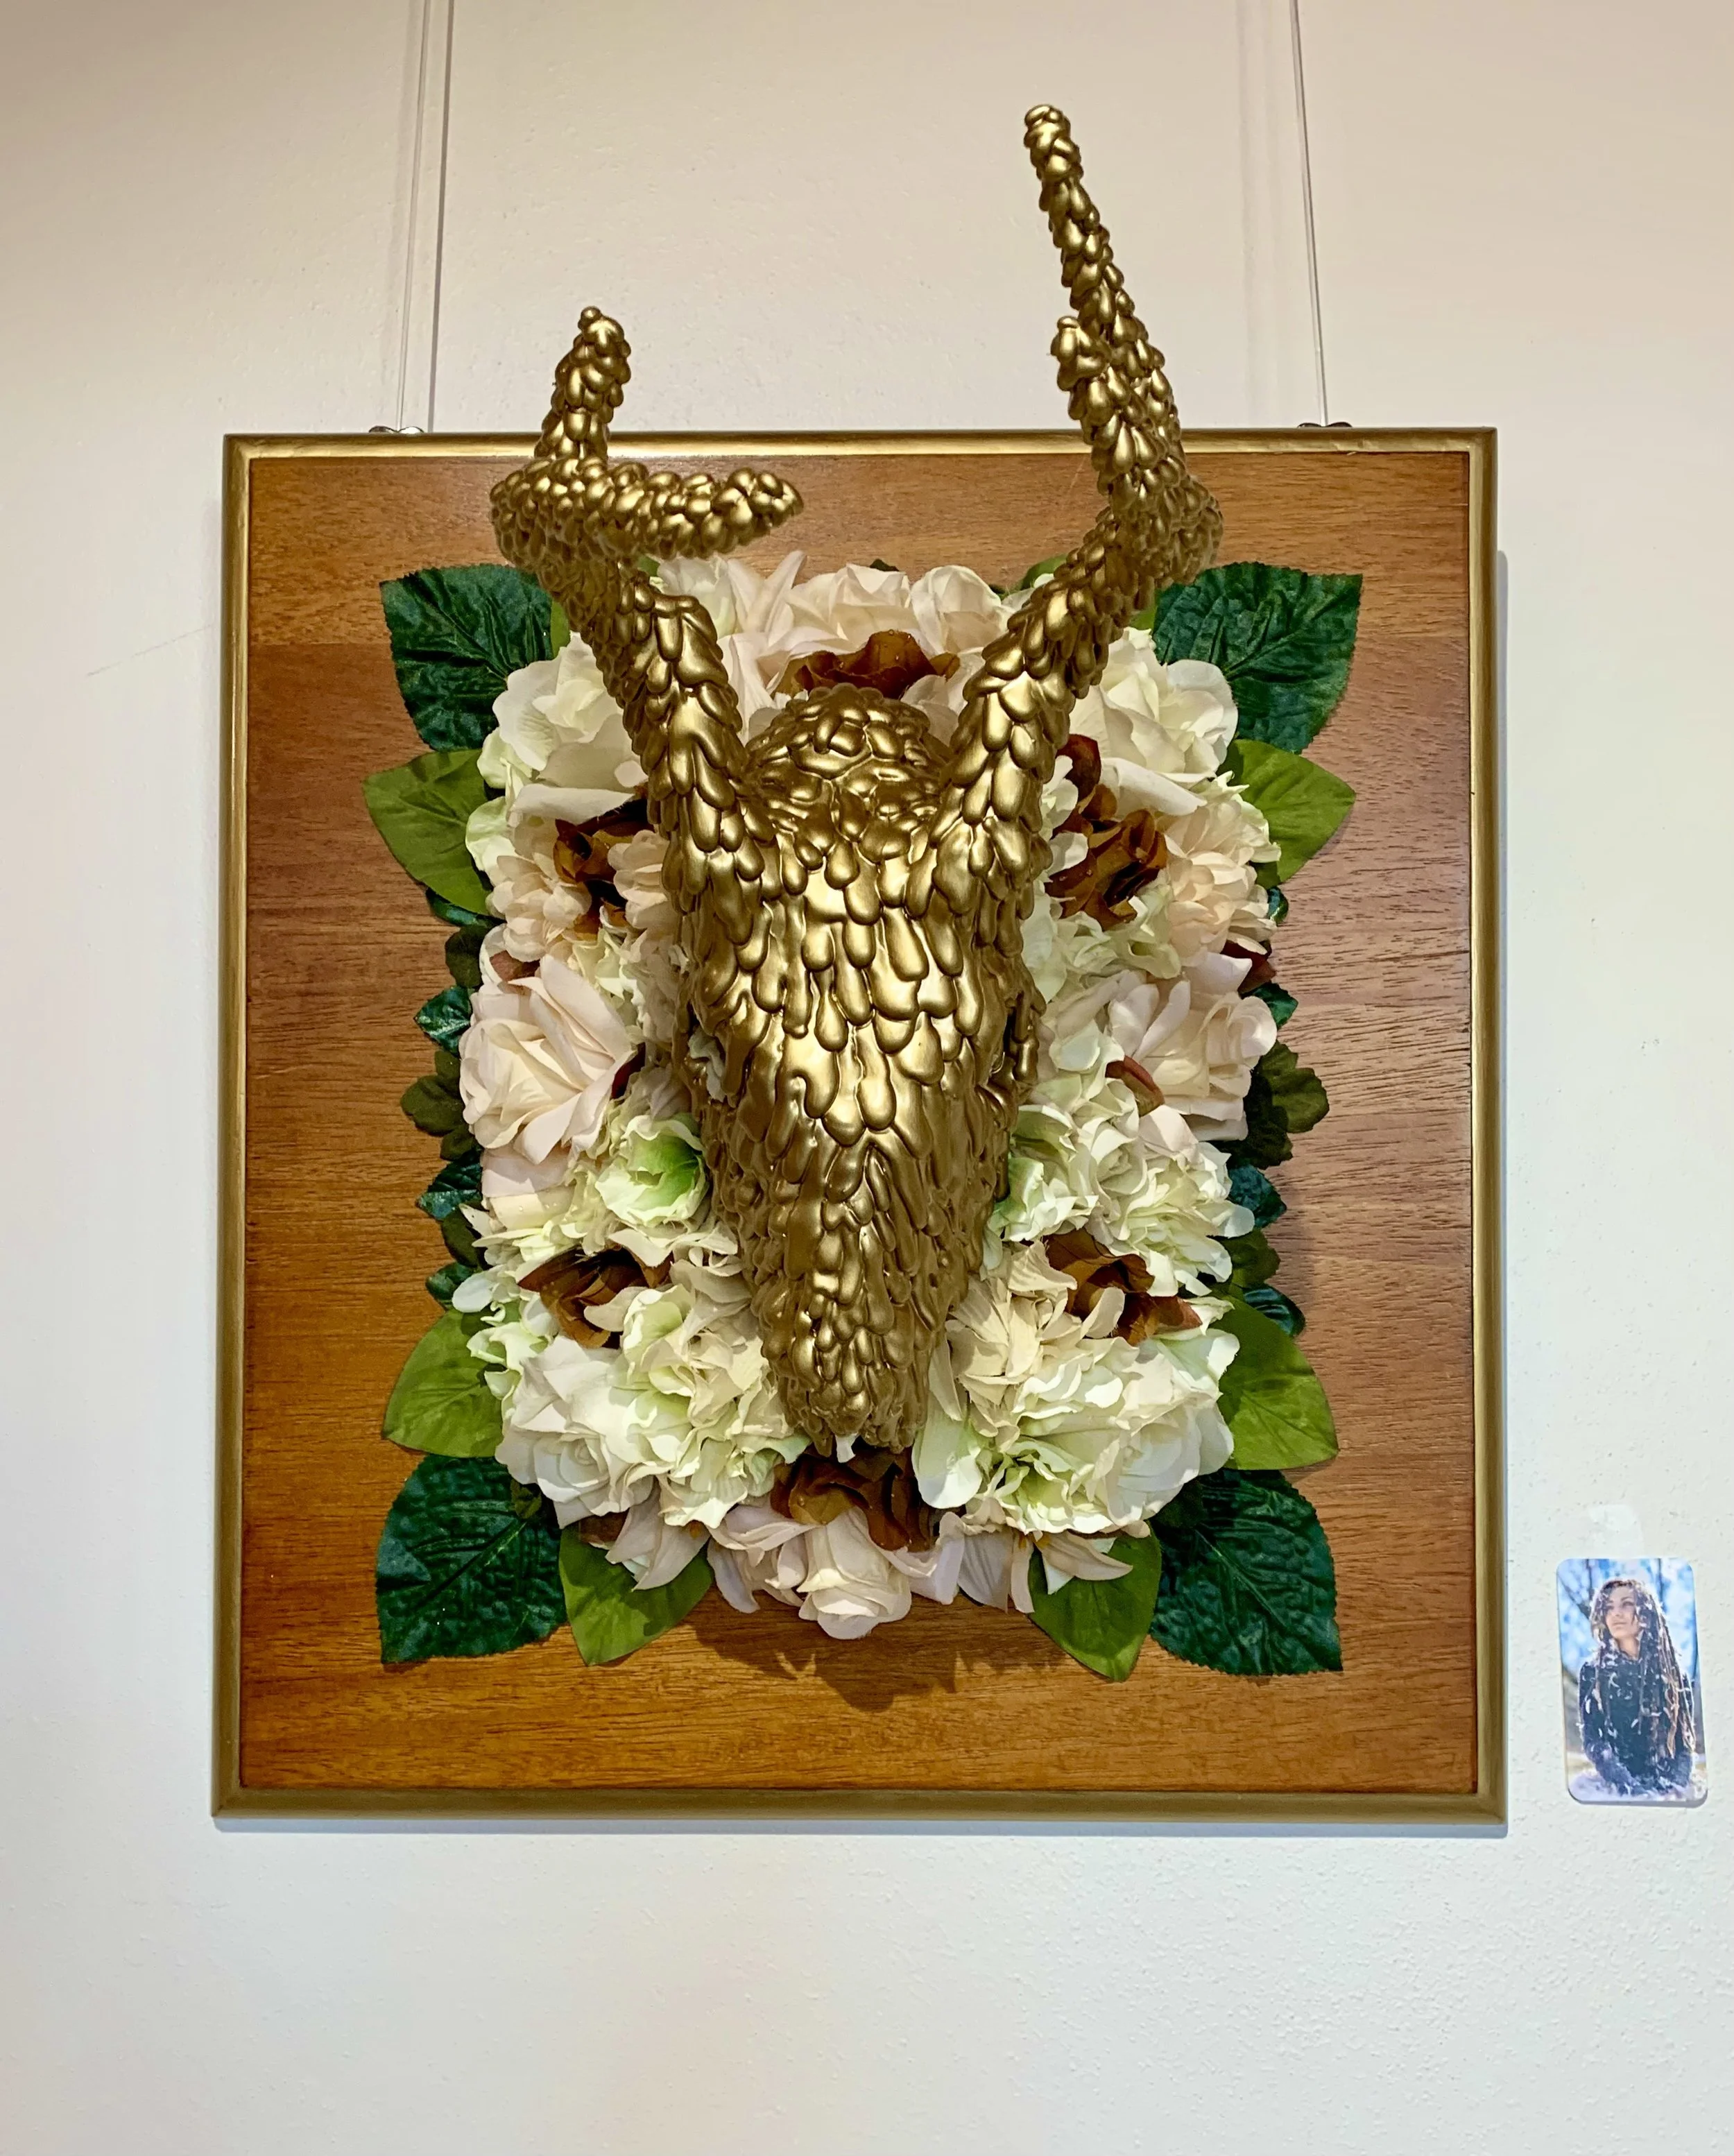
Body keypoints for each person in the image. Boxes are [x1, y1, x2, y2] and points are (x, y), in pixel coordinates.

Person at [1578, 1575, 1697, 1796]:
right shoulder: (1593, 1673)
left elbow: (1684, 1747)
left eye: (1627, 1604)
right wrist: (1629, 1787)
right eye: (1609, 1607)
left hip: (1670, 1786)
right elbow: (1594, 1740)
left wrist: (1673, 1789)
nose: (1616, 1613)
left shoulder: (1674, 1676)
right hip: (1615, 1787)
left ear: (1646, 1613)